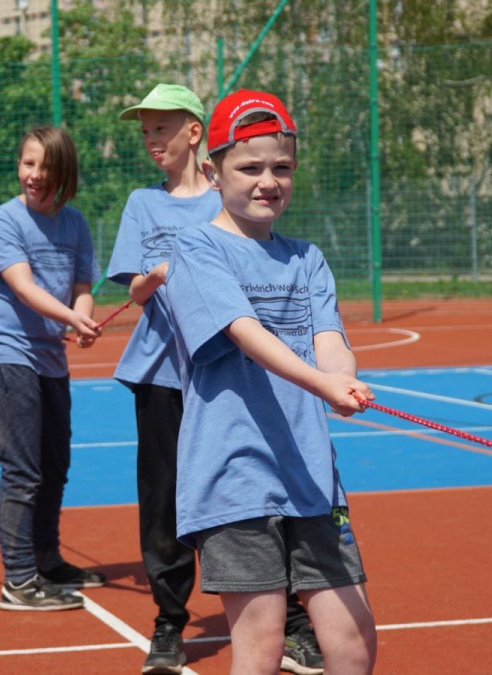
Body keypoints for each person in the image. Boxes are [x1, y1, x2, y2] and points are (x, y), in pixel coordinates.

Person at [108, 83, 326, 675]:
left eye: (161, 127)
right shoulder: (143, 204)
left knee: (273, 493)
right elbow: (131, 291)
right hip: (163, 372)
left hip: (235, 377)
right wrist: (162, 273)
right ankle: (169, 623)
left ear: (196, 132)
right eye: (145, 130)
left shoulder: (237, 193)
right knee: (165, 503)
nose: (151, 139)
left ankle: (294, 623)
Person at [165, 90, 380, 674]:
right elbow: (243, 329)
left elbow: (328, 336)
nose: (268, 181)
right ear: (212, 171)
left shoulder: (305, 258)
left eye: (281, 167)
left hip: (309, 472)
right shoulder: (196, 248)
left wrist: (345, 379)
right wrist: (321, 384)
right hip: (233, 475)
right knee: (259, 648)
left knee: (355, 642)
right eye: (250, 167)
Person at [0, 125, 108, 611]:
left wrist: (84, 316)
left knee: (55, 466)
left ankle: (48, 561)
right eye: (27, 164)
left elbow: (82, 284)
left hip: (49, 357)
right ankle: (19, 580)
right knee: (24, 469)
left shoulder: (75, 224)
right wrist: (72, 317)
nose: (33, 175)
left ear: (63, 172)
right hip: (7, 353)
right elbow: (23, 287)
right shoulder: (3, 221)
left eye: (44, 167)